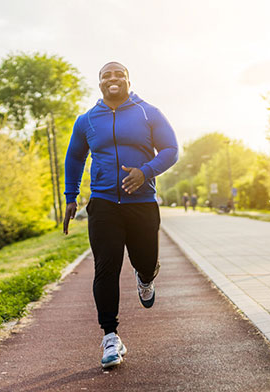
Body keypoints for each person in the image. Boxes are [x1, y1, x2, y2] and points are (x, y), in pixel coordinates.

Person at [63, 61, 178, 369]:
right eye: (106, 75)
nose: (112, 79)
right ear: (99, 83)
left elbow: (170, 149)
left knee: (144, 260)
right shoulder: (87, 120)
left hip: (141, 203)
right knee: (106, 267)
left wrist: (145, 172)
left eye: (118, 74)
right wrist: (71, 197)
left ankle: (145, 277)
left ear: (128, 80)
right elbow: (74, 157)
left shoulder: (147, 113)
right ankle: (110, 335)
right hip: (103, 203)